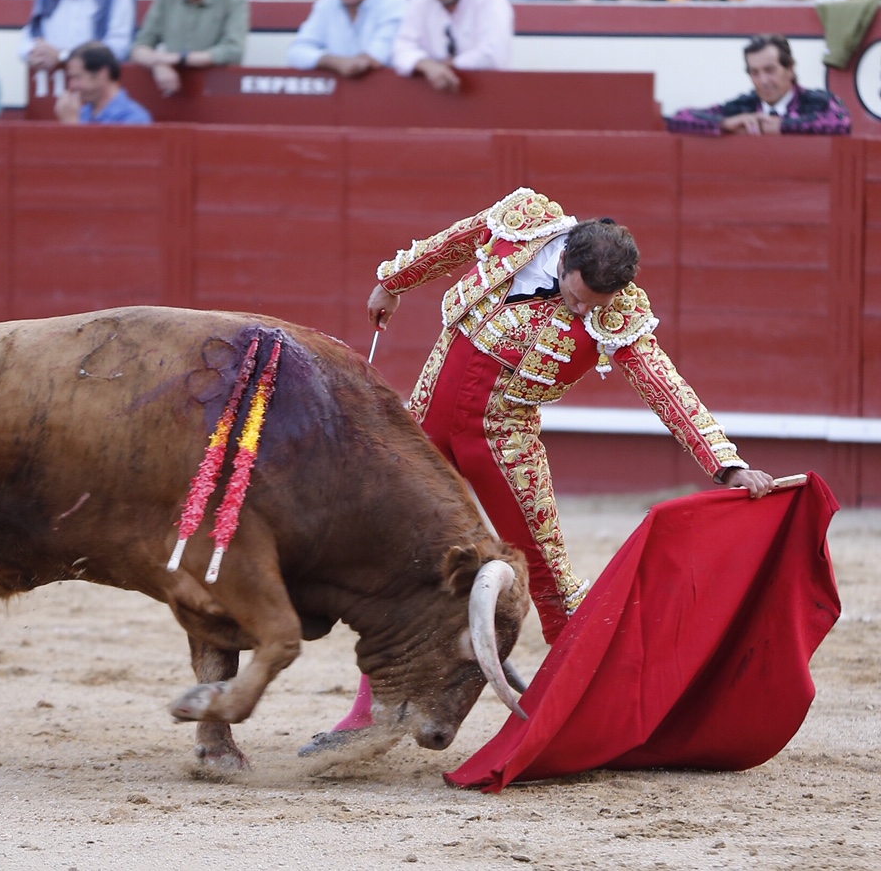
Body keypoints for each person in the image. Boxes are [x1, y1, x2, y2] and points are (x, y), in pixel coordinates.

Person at [303, 188, 775, 751]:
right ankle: (370, 713)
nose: (583, 312)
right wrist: (394, 282)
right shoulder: (522, 224)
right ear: (565, 259)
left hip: (504, 439)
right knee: (390, 552)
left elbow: (662, 383)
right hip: (425, 419)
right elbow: (454, 242)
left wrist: (726, 465)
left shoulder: (618, 312)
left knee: (551, 579)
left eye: (595, 305)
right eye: (579, 298)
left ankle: (593, 713)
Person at [665, 32, 851, 135]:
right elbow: (679, 118)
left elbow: (842, 122)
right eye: (755, 72)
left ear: (790, 69)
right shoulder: (744, 106)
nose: (763, 81)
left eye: (770, 70)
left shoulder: (817, 101)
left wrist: (783, 126)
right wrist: (724, 123)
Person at [392, 0, 513, 93]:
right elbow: (401, 49)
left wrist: (446, 67)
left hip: (489, 89)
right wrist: (427, 66)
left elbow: (492, 55)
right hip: (433, 94)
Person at [54, 41, 152, 124]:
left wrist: (72, 126)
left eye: (77, 77)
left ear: (102, 74)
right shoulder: (82, 113)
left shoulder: (134, 119)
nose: (72, 85)